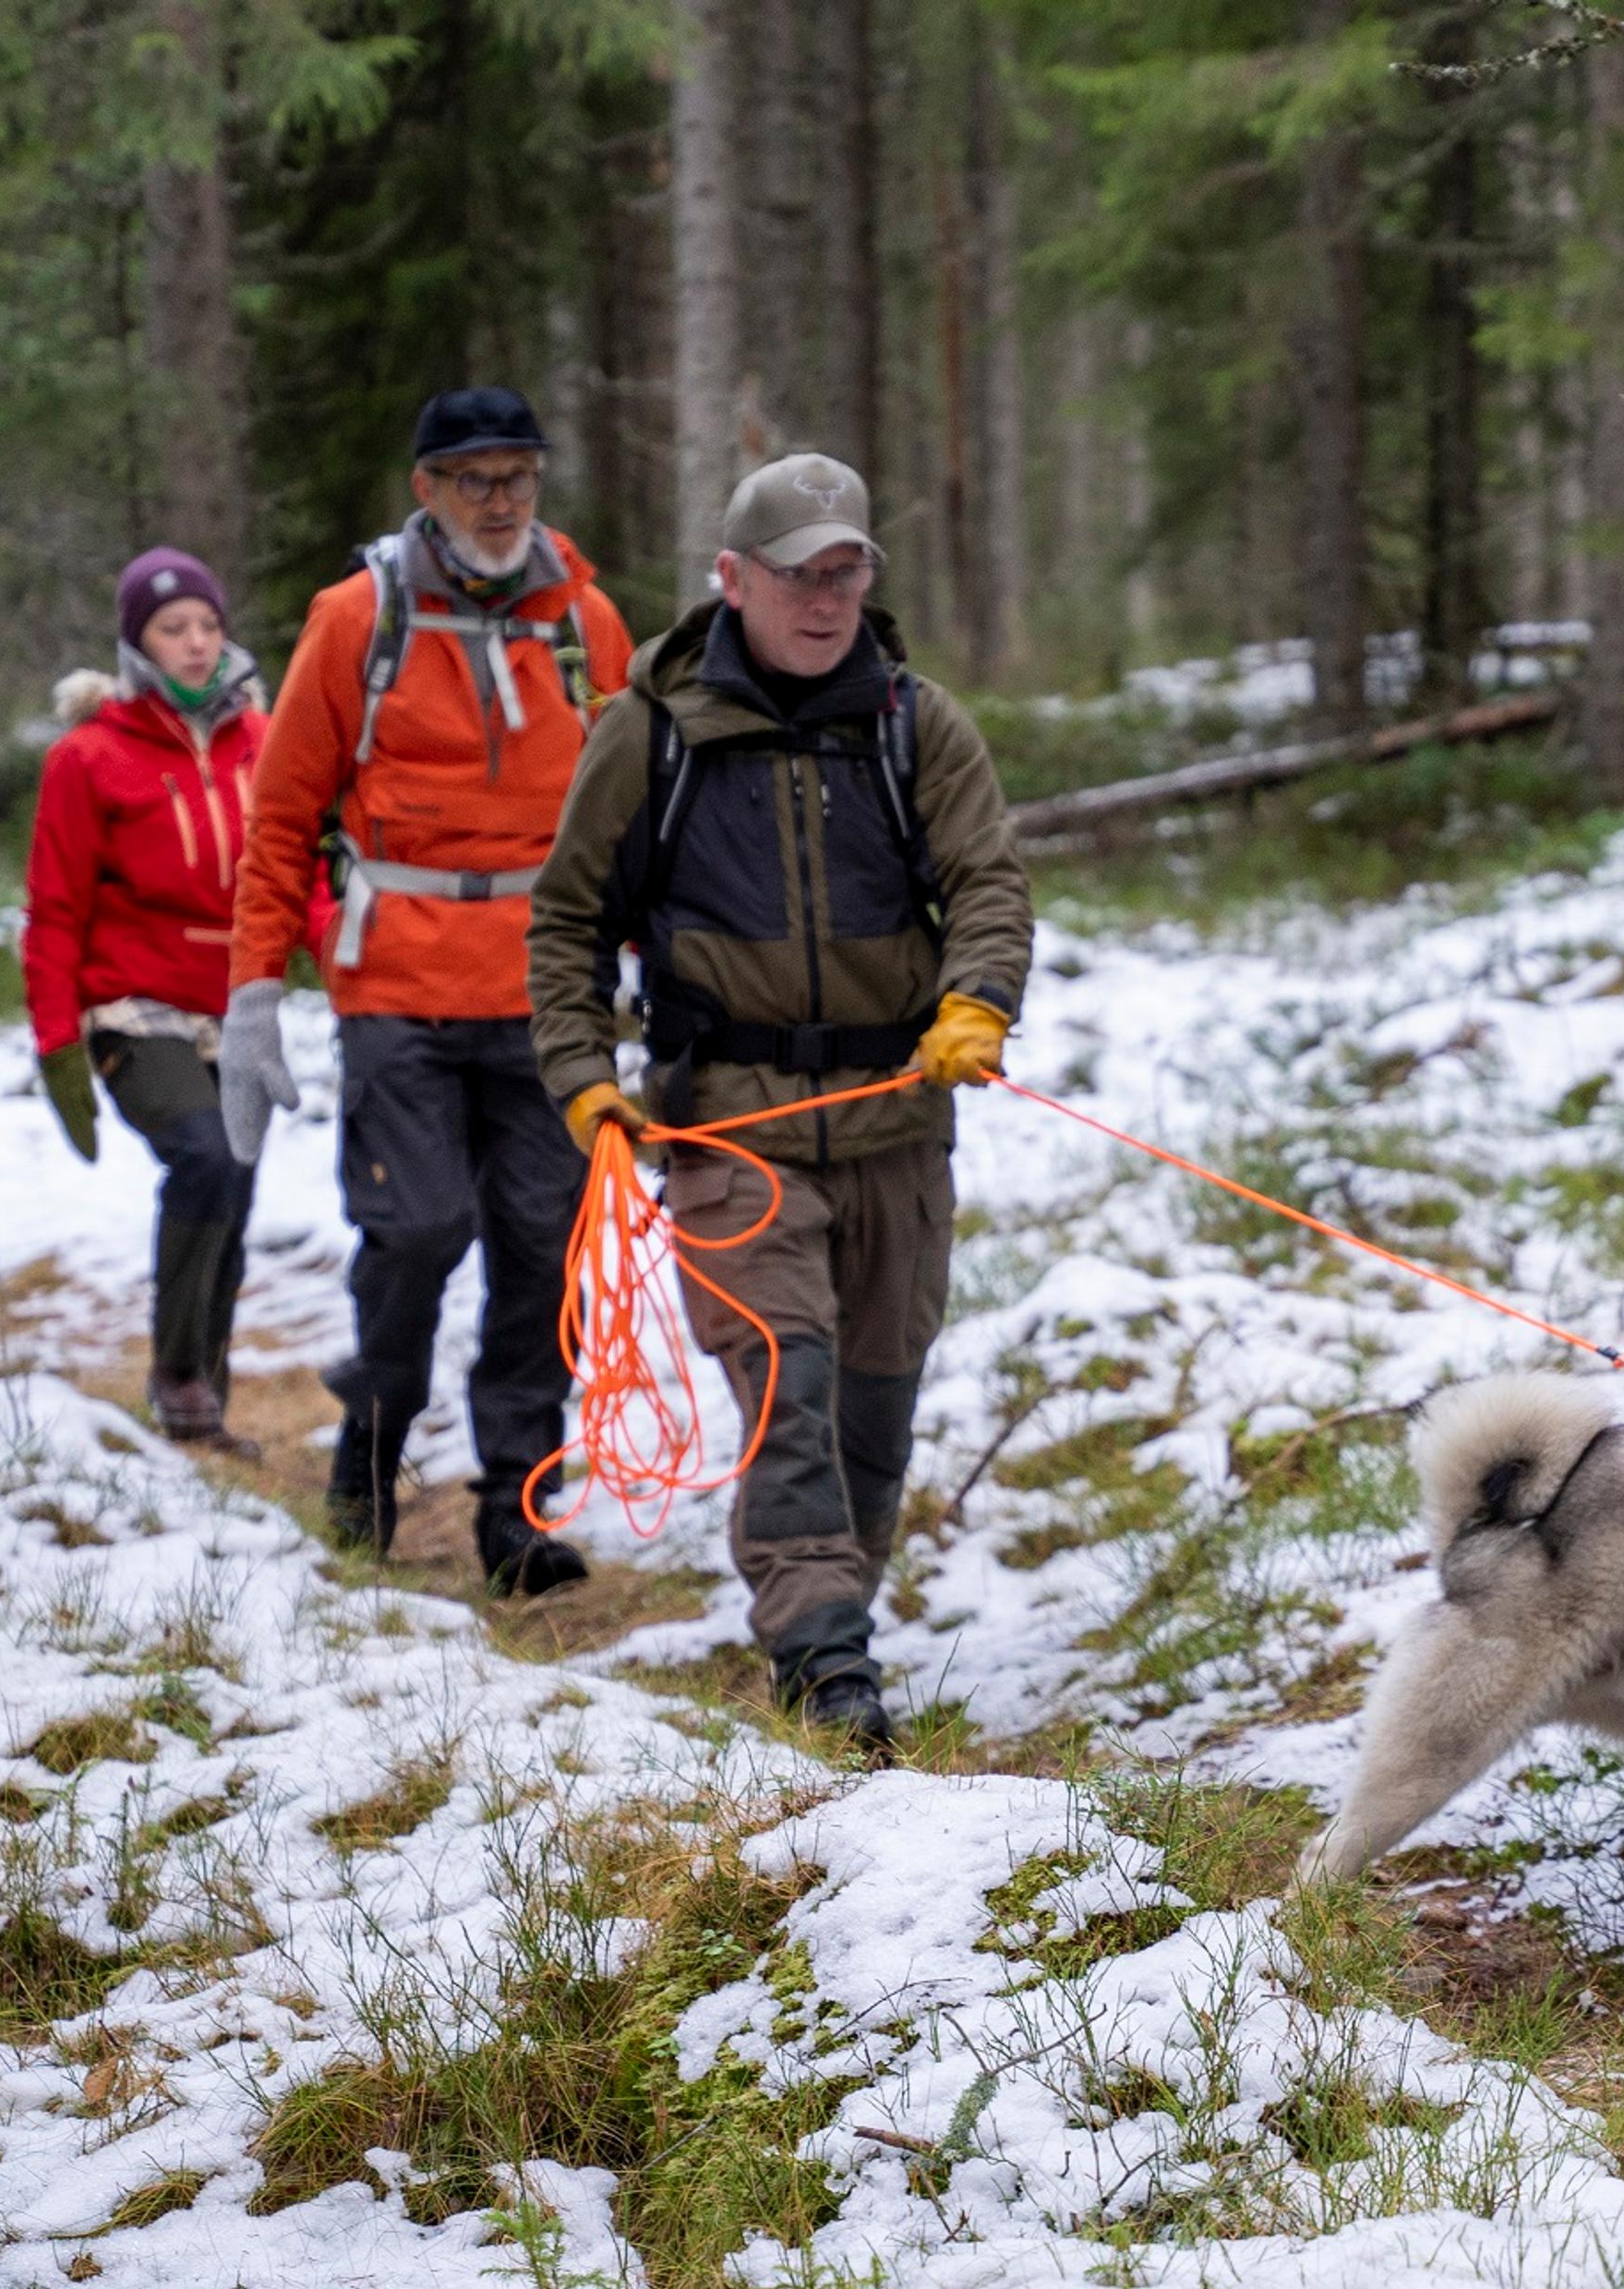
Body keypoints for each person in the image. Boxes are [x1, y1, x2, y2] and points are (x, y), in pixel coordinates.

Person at [527, 453, 1032, 1750]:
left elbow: (988, 882)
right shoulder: (650, 732)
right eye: (798, 573)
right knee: (783, 1380)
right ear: (732, 579)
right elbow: (569, 919)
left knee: (876, 1393)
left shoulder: (921, 723)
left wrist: (977, 997)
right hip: (726, 1119)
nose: (825, 596)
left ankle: (835, 1604)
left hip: (899, 1118)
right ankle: (822, 1657)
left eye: (846, 568)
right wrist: (587, 1081)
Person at [220, 387, 633, 1594]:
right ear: (427, 490)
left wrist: (661, 968)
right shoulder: (359, 619)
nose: (500, 501)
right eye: (473, 480)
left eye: (519, 477)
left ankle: (517, 1505)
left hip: (550, 981)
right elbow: (284, 814)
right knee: (415, 1229)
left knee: (541, 1247)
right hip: (397, 974)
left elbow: (627, 813)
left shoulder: (584, 619)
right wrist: (254, 992)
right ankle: (372, 1446)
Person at [24, 548, 271, 1449]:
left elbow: (298, 872)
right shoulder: (89, 757)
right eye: (175, 629)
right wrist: (58, 1043)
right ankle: (177, 1372)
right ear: (138, 644)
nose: (199, 644)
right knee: (204, 1156)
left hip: (240, 1007)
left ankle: (203, 1396)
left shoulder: (263, 740)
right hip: (134, 1006)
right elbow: (54, 910)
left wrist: (343, 947)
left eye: (209, 624)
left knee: (236, 1190)